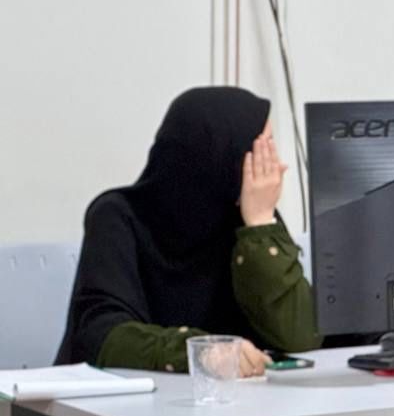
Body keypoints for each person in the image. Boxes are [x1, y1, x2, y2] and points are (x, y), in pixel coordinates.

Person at [56, 87, 321, 375]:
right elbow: (100, 334)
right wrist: (198, 352)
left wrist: (260, 225)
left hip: (235, 399)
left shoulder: (252, 220)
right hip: (130, 398)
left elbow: (300, 339)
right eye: (264, 149)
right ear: (224, 154)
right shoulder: (118, 216)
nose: (277, 166)